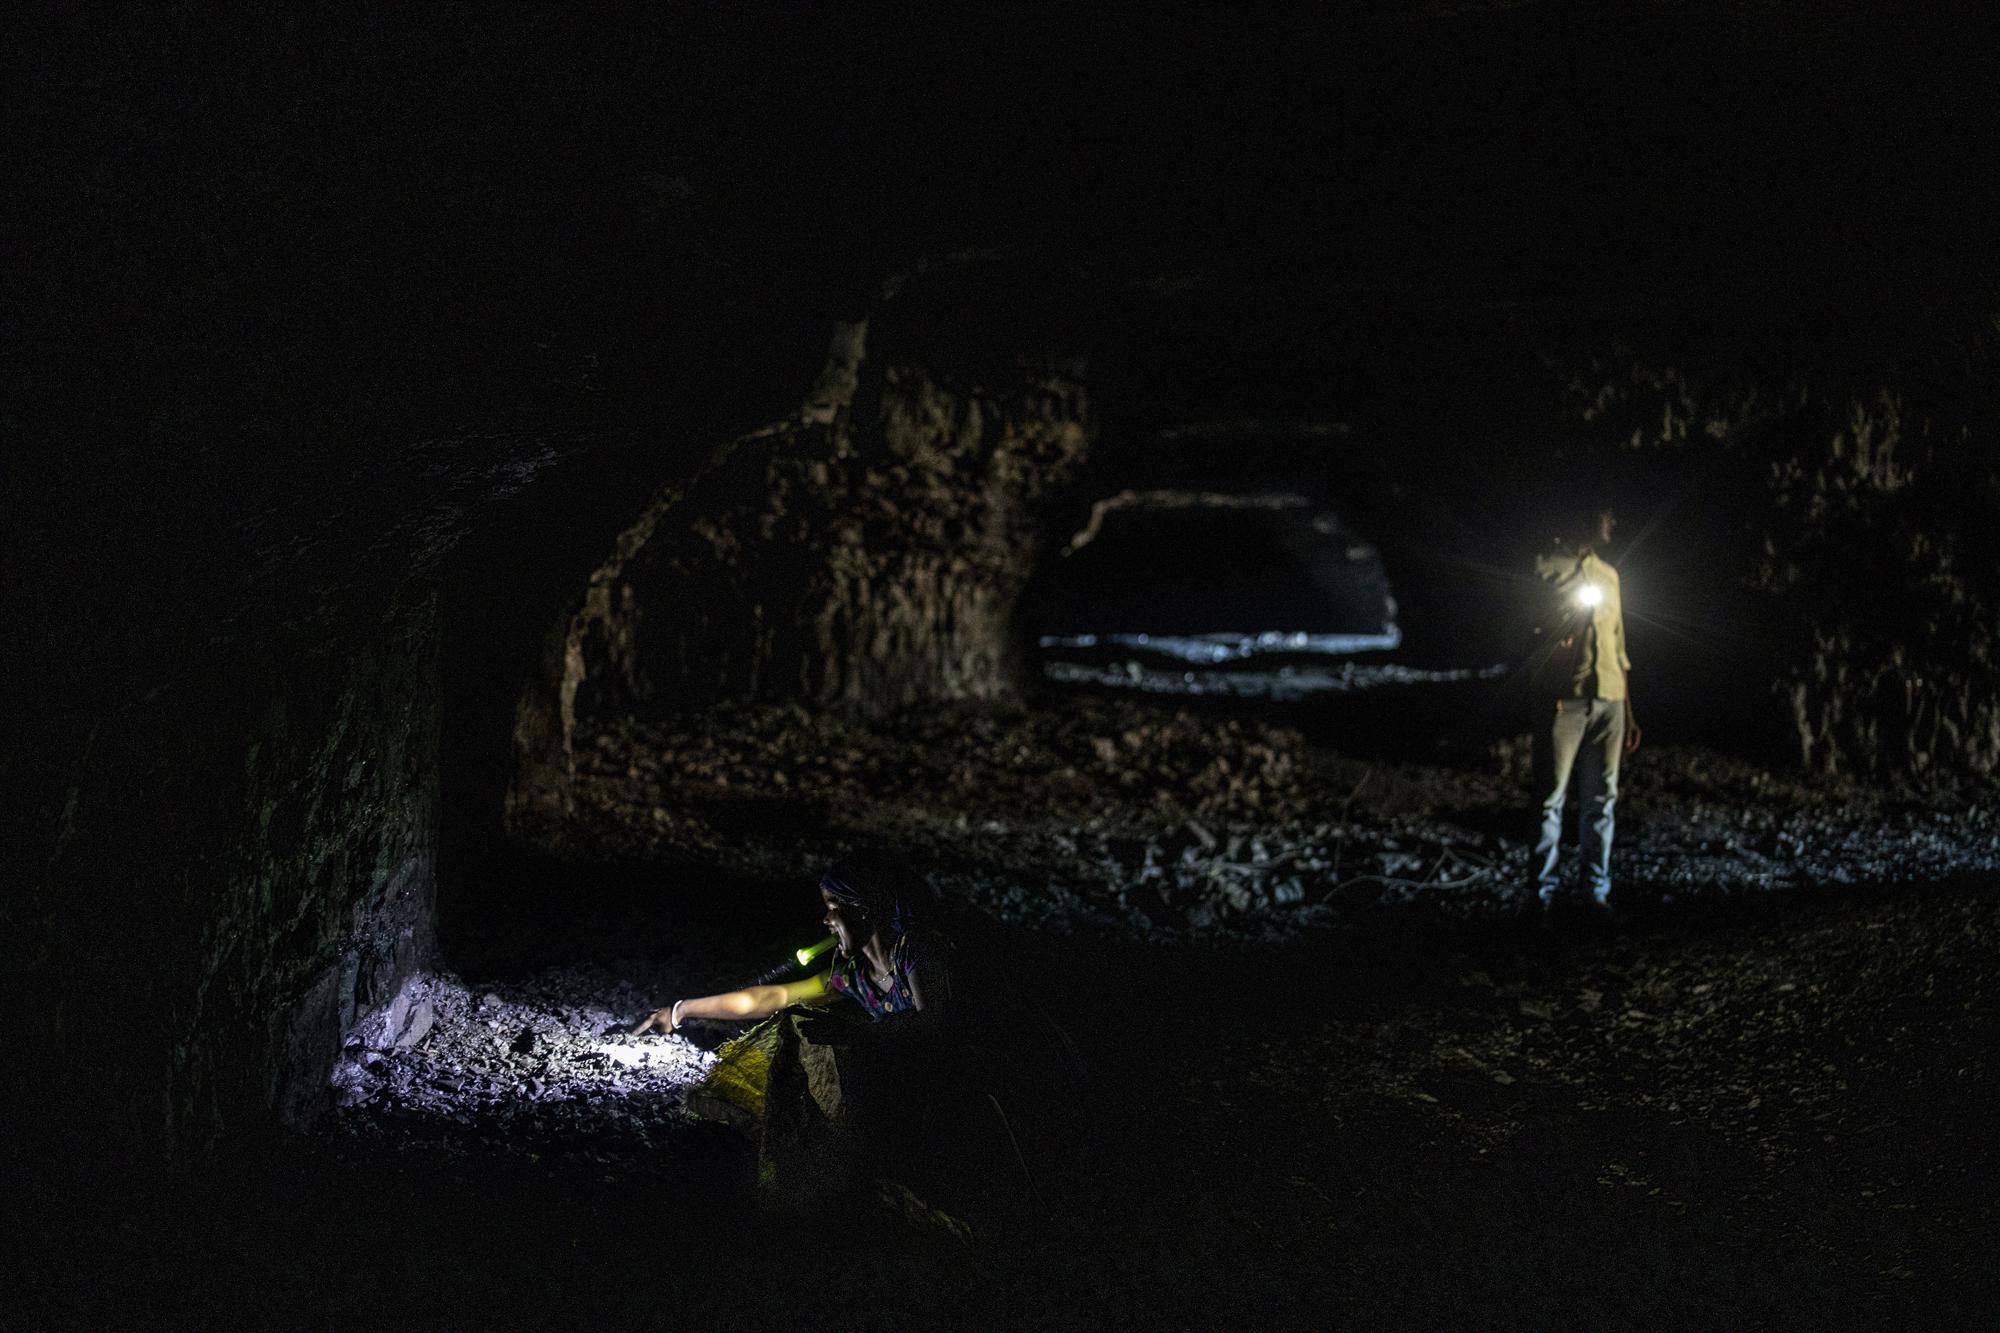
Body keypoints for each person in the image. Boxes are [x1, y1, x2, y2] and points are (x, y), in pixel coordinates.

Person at [630, 857, 965, 1204]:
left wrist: (858, 1034)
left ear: (863, 910)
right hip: (898, 1090)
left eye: (833, 908)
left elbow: (935, 1024)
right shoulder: (854, 974)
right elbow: (773, 997)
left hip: (949, 1089)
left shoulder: (916, 951)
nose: (826, 920)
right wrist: (681, 1010)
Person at [1525, 503, 1642, 917]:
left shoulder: (1610, 575)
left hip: (1608, 699)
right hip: (1564, 699)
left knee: (1601, 799)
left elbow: (1620, 647)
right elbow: (1529, 636)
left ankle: (1594, 892)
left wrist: (1627, 711)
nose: (1611, 523)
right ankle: (1540, 894)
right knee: (1549, 799)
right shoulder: (1546, 570)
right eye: (1604, 516)